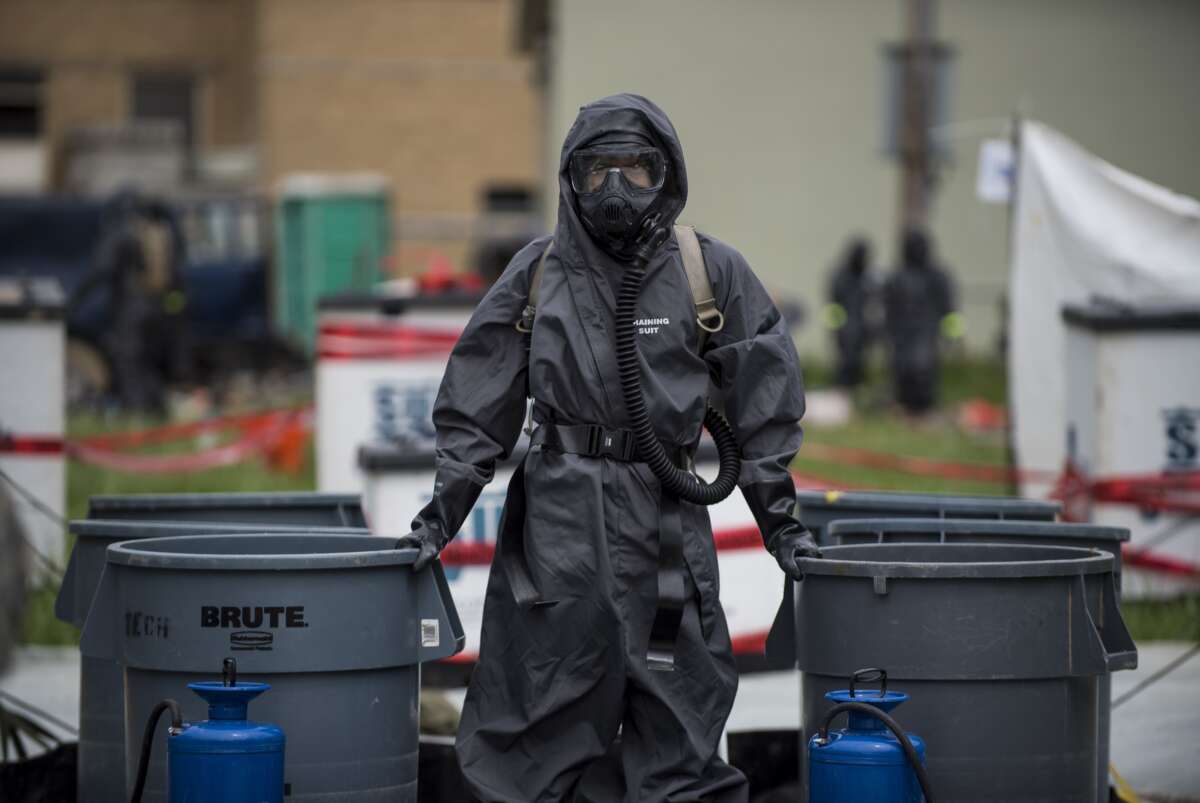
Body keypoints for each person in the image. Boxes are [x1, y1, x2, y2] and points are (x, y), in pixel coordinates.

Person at [399, 93, 817, 803]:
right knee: (528, 738)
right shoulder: (538, 275)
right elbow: (475, 406)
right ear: (571, 178)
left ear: (667, 176)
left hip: (664, 535)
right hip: (557, 540)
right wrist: (438, 517)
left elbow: (765, 410)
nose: (617, 191)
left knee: (679, 735)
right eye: (599, 173)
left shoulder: (706, 273)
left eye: (635, 171)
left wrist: (784, 528)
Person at [883, 228, 956, 414]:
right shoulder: (897, 276)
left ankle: (924, 407)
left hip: (926, 331)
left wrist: (951, 335)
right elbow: (888, 307)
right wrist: (887, 332)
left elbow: (948, 307)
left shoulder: (937, 276)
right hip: (902, 334)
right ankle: (905, 405)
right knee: (903, 370)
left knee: (923, 369)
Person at [827, 236, 877, 388]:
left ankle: (858, 388)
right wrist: (837, 330)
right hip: (845, 328)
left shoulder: (867, 277)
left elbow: (873, 303)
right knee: (845, 363)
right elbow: (834, 306)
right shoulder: (840, 277)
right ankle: (843, 389)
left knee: (860, 364)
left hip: (862, 326)